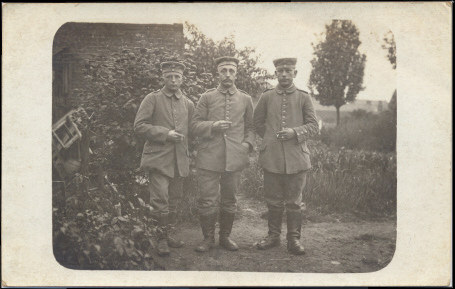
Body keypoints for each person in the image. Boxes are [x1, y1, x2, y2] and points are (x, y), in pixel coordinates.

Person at [253, 58, 319, 255]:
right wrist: (270, 140)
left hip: (297, 158)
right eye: (280, 71)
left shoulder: (303, 98)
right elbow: (257, 123)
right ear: (275, 73)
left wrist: (295, 133)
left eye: (288, 71)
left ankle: (294, 240)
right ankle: (273, 237)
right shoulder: (266, 97)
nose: (283, 74)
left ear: (295, 73)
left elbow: (314, 126)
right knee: (273, 200)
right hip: (271, 157)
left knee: (294, 202)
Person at [190, 56, 255, 252]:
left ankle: (225, 237)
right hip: (208, 157)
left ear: (236, 73)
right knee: (207, 198)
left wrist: (246, 145)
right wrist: (213, 126)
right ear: (217, 73)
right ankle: (207, 239)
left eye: (231, 71)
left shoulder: (245, 99)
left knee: (230, 199)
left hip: (235, 156)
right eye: (223, 70)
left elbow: (251, 127)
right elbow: (194, 125)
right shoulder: (207, 97)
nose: (227, 74)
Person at [134, 61, 194, 256]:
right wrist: (165, 133)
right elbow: (139, 126)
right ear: (163, 78)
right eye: (169, 76)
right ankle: (160, 240)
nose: (173, 80)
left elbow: (192, 130)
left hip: (180, 159)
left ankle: (167, 235)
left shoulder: (188, 103)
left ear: (182, 79)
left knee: (174, 200)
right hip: (159, 159)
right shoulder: (152, 99)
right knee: (160, 199)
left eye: (177, 76)